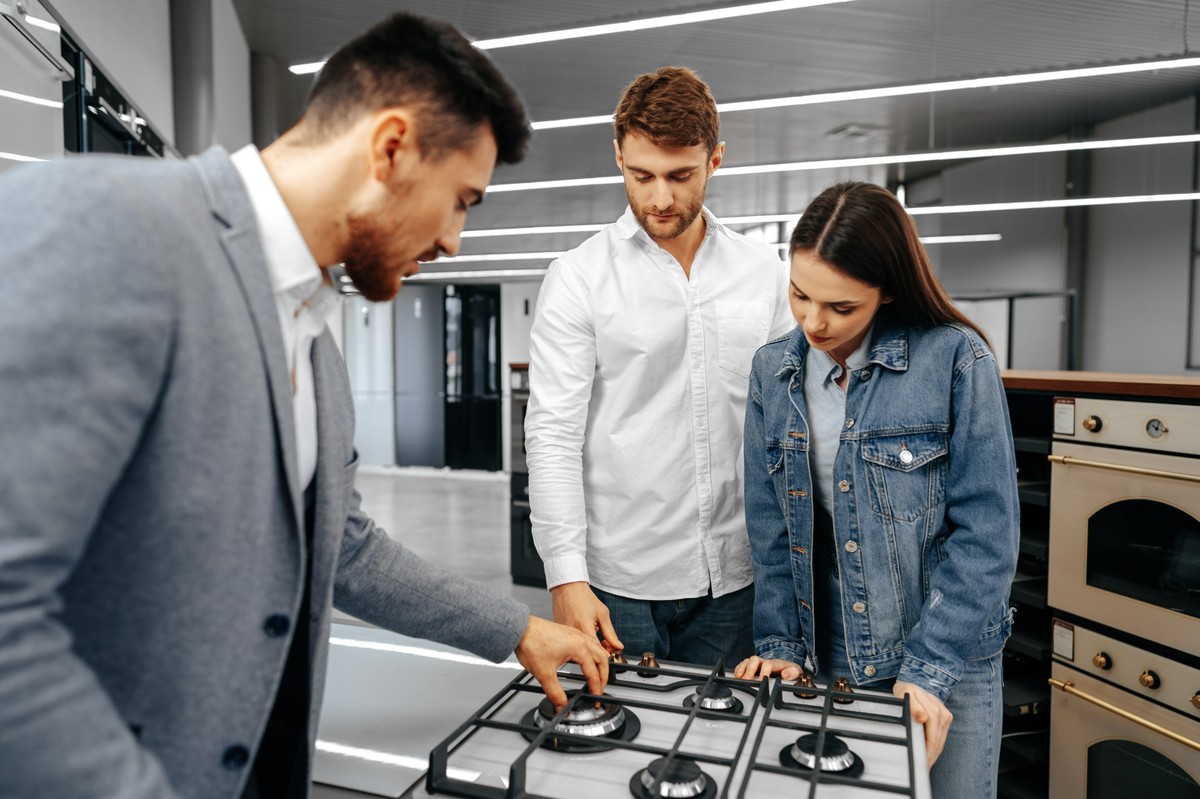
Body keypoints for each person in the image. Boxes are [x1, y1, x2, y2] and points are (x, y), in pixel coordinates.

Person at [0, 13, 609, 799]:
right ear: (390, 147)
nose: (455, 240)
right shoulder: (112, 224)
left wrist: (517, 628)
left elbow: (344, 549)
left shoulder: (314, 341)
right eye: (462, 200)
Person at [733, 181, 1019, 797]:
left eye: (841, 307)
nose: (814, 322)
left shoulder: (957, 360)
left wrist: (929, 670)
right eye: (799, 295)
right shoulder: (772, 372)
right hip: (831, 651)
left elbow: (987, 535)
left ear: (888, 289)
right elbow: (772, 528)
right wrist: (781, 645)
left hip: (948, 653)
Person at [525, 66, 793, 668]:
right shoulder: (579, 278)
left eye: (680, 175)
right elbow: (552, 435)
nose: (660, 198)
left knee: (725, 730)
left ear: (715, 160)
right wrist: (565, 577)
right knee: (620, 730)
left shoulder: (764, 274)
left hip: (737, 581)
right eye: (641, 175)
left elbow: (787, 429)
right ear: (618, 156)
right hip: (617, 584)